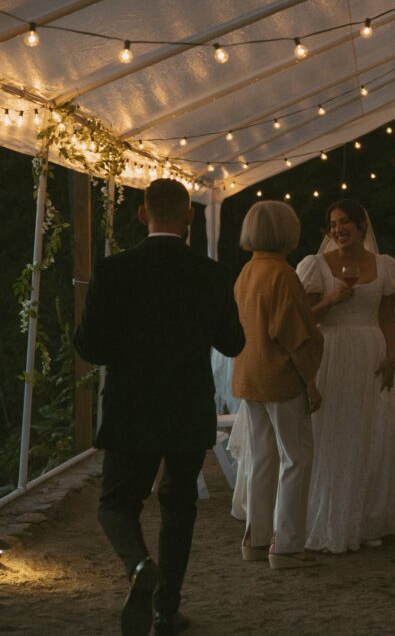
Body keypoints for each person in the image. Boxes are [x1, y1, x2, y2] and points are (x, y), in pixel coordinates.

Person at [74, 179, 244, 635]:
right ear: (189, 216)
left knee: (115, 504)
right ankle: (167, 611)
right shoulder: (212, 273)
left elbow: (89, 345)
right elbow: (233, 343)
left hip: (131, 406)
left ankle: (138, 566)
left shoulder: (113, 271)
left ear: (143, 215)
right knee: (179, 506)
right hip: (188, 405)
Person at [297, 199, 395, 552]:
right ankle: (327, 518)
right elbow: (303, 318)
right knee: (333, 433)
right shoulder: (316, 266)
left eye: (345, 222)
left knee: (371, 434)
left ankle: (366, 519)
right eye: (333, 224)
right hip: (331, 353)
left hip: (371, 353)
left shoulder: (385, 265)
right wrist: (331, 300)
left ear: (362, 226)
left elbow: (388, 318)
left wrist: (391, 357)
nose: (338, 229)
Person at [232, 201, 323, 570]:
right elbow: (294, 336)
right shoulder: (282, 274)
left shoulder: (246, 271)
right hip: (280, 377)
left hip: (249, 376)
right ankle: (285, 545)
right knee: (296, 459)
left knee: (263, 459)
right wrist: (311, 383)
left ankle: (255, 539)